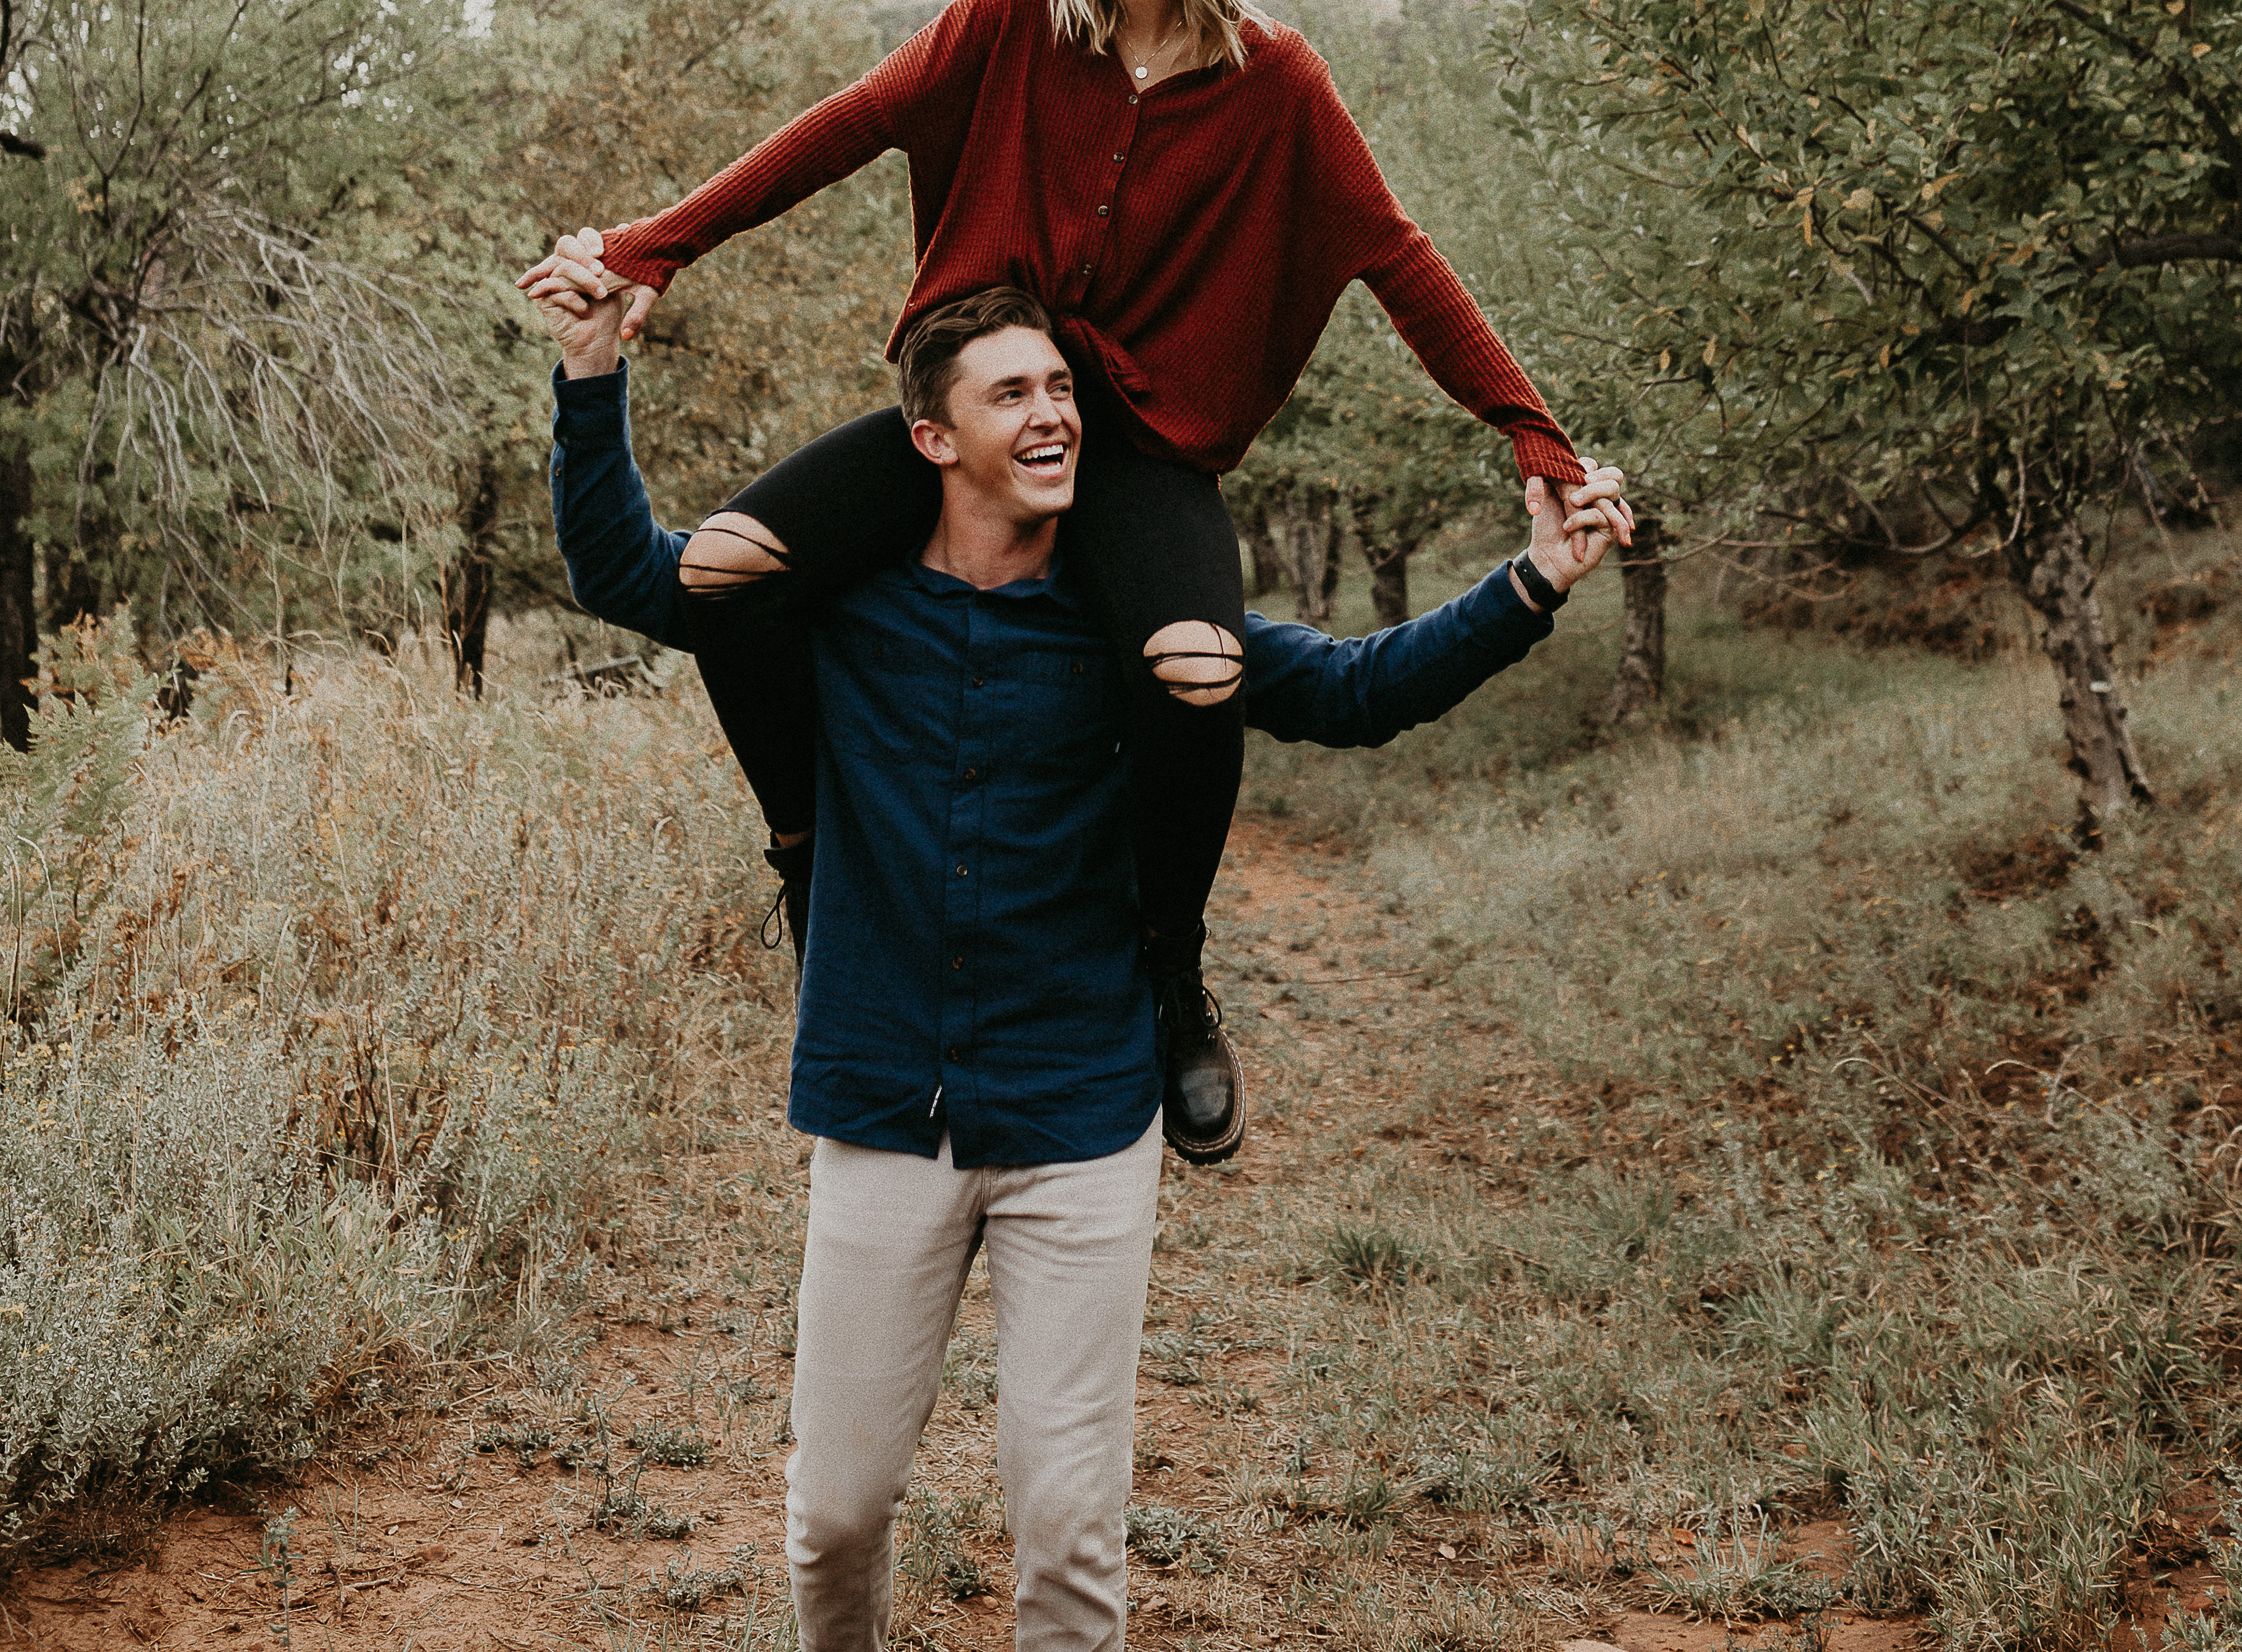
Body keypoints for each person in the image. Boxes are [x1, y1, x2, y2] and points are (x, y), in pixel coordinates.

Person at [519, 0, 1634, 1162]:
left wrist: (1532, 438)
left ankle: (1169, 966)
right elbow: (841, 128)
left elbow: (1396, 260)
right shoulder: (1007, 20)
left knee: (1198, 667)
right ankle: (803, 861)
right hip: (989, 406)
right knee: (730, 572)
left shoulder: (1278, 83)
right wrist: (649, 252)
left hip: (1141, 448)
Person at [535, 271, 1629, 1652]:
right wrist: (589, 373)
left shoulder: (1138, 625)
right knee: (835, 1516)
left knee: (1068, 1541)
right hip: (882, 1101)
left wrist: (1533, 579)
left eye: (1058, 390)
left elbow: (1358, 692)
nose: (1051, 413)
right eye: (1012, 394)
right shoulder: (842, 613)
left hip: (1082, 1111)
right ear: (932, 439)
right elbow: (627, 571)